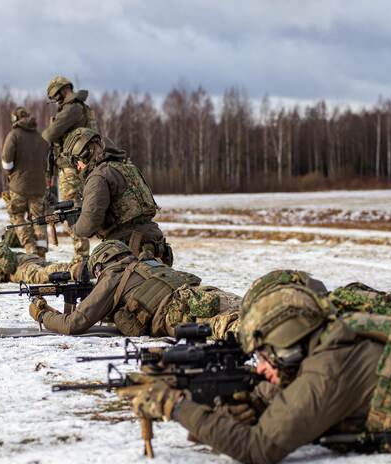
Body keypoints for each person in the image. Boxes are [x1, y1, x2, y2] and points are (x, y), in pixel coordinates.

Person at [124, 269, 391, 464]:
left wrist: (174, 406)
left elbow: (258, 448)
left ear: (290, 340)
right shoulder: (337, 333)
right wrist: (254, 401)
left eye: (269, 351)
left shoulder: (328, 370)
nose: (265, 362)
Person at [29, 240, 240, 338]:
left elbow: (73, 325)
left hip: (182, 313)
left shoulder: (111, 276)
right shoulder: (147, 263)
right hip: (206, 293)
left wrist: (42, 315)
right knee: (252, 308)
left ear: (101, 265)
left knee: (244, 330)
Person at [62, 128, 172, 265]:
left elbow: (89, 224)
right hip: (155, 242)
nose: (77, 167)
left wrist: (74, 227)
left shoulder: (98, 176)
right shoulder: (127, 167)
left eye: (75, 161)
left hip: (128, 251)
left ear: (85, 154)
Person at [41, 75, 96, 261]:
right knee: (76, 210)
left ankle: (82, 257)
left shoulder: (72, 108)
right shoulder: (79, 107)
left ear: (64, 91)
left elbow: (50, 134)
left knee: (72, 212)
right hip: (77, 167)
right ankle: (83, 255)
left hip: (72, 169)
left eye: (57, 97)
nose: (56, 101)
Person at [1, 106, 49, 258]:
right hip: (39, 187)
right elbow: (46, 163)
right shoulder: (41, 138)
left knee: (17, 216)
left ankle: (30, 248)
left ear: (15, 118)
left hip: (18, 186)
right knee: (39, 219)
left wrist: (10, 173)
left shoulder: (14, 135)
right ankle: (42, 252)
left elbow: (6, 161)